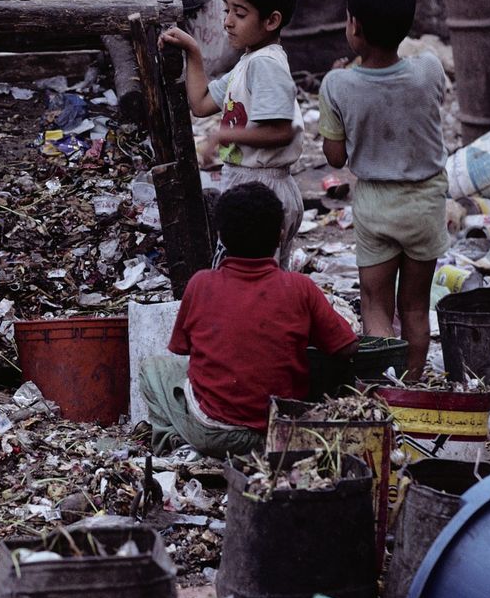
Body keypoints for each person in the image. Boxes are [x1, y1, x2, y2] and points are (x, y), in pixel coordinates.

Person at [138, 183, 358, 456]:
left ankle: (172, 442)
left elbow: (182, 349)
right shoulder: (301, 288)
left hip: (212, 434)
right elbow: (347, 347)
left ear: (222, 237)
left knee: (153, 369)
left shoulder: (201, 284)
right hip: (281, 433)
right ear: (280, 236)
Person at [318, 0, 448, 380]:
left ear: (354, 27)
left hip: (375, 205)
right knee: (414, 306)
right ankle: (410, 386)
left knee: (376, 304)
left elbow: (335, 157)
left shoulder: (337, 85)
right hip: (425, 203)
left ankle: (383, 387)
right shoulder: (429, 69)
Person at [160, 0, 305, 261]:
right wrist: (193, 52)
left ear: (271, 21)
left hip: (263, 195)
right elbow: (200, 103)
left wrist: (223, 134)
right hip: (250, 187)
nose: (227, 21)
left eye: (239, 13)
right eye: (226, 10)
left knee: (251, 284)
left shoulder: (265, 64)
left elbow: (280, 131)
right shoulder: (248, 63)